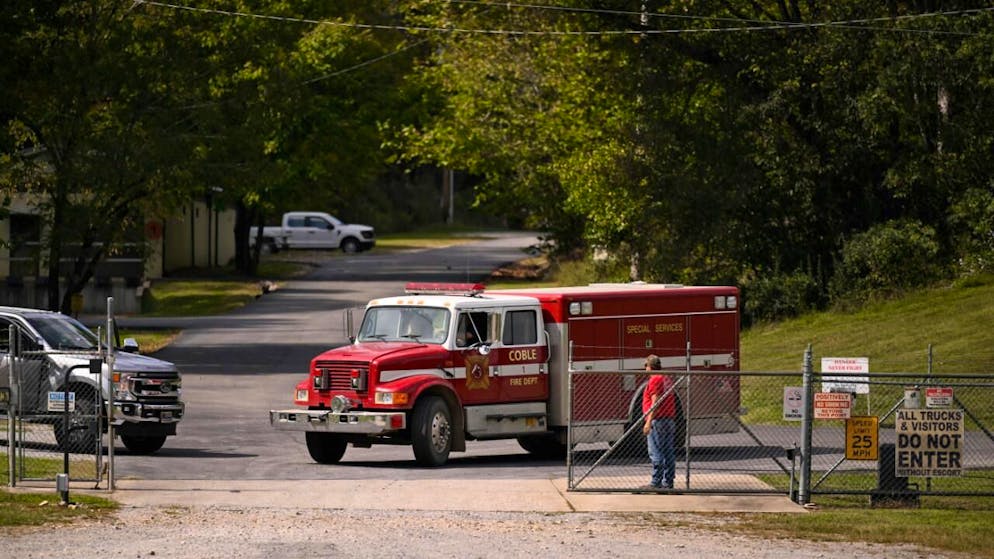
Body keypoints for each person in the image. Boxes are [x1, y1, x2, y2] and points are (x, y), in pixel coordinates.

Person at [642, 354, 676, 489]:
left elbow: (655, 401)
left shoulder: (655, 379)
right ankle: (668, 481)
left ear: (649, 367)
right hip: (669, 420)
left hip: (658, 420)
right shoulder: (666, 378)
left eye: (645, 366)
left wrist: (648, 421)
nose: (645, 369)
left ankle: (656, 482)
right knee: (668, 451)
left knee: (655, 451)